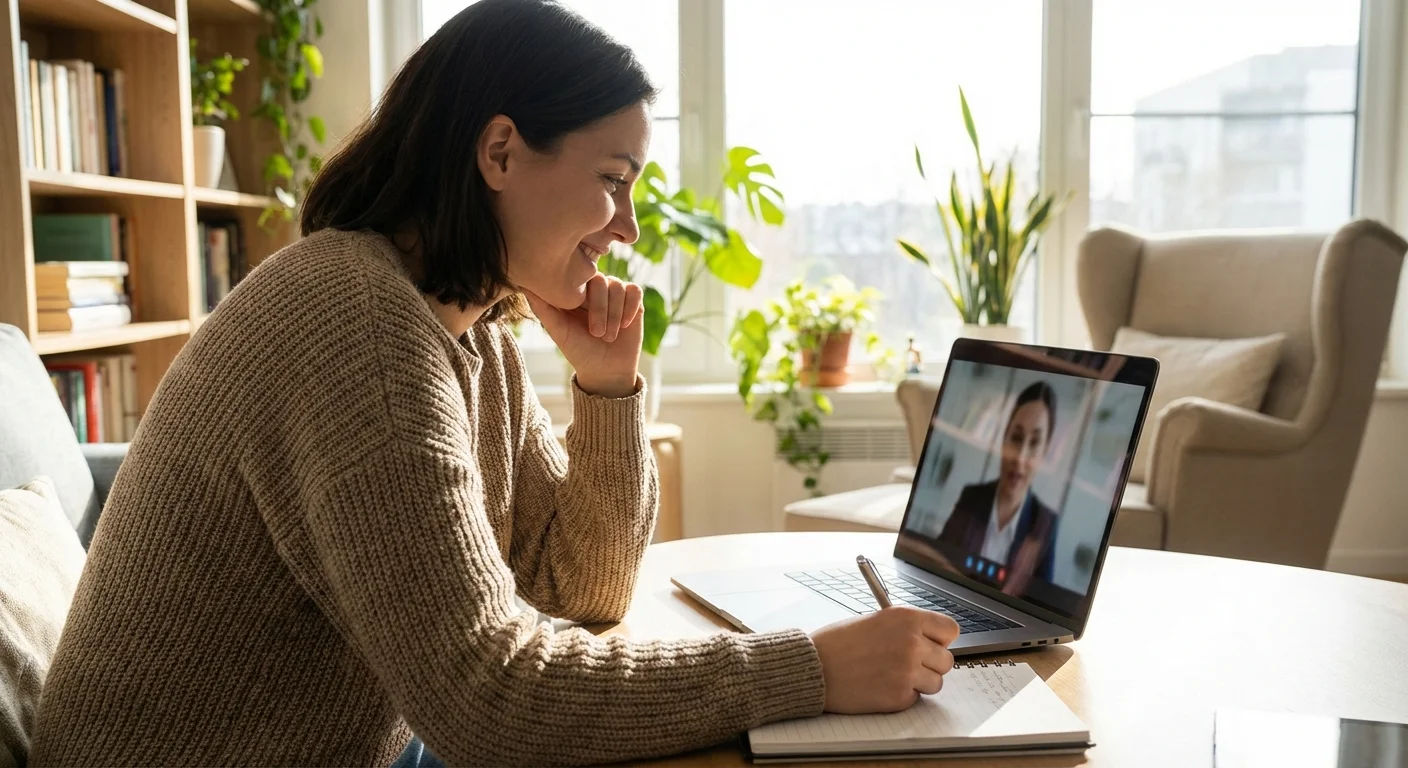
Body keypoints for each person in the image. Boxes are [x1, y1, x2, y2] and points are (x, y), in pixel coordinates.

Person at [29, 2, 961, 766]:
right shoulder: (354, 321)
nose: (628, 225)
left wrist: (605, 390)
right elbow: (491, 702)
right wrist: (809, 670)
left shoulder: (473, 334)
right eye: (613, 178)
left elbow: (578, 590)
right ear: (501, 152)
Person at [936, 381, 1060, 597]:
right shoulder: (972, 497)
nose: (1020, 459)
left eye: (1034, 443)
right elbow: (936, 561)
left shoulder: (1045, 523)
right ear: (1004, 439)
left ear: (1044, 453)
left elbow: (1044, 604)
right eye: (1016, 438)